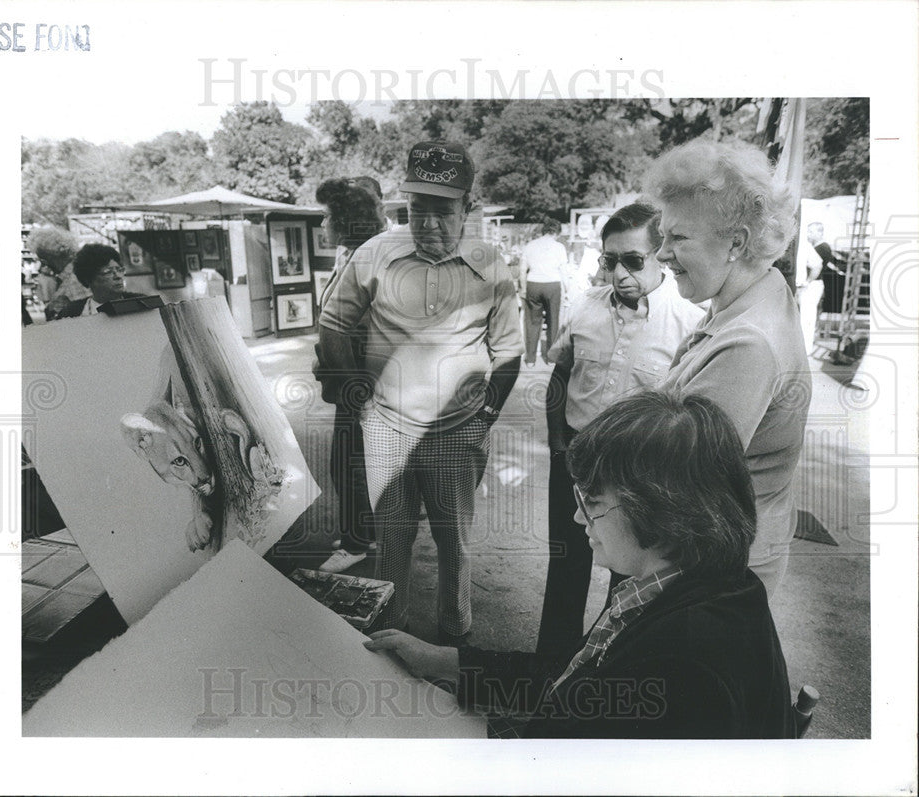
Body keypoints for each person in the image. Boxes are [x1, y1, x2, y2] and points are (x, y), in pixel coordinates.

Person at [366, 391, 795, 738]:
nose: (577, 518)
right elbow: (573, 678)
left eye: (593, 504)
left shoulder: (684, 667)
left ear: (662, 514)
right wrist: (447, 662)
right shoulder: (681, 583)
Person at [318, 140, 523, 645]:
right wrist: (353, 394)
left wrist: (487, 413)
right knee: (392, 539)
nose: (428, 224)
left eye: (442, 211)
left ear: (467, 208)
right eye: (417, 211)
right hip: (387, 427)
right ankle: (391, 628)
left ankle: (456, 632)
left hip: (458, 431)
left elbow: (509, 349)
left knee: (455, 540)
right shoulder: (375, 253)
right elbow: (334, 322)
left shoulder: (491, 264)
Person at [537, 202, 704, 654]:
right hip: (574, 460)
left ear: (661, 255)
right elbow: (559, 375)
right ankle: (550, 671)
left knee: (628, 583)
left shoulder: (690, 322)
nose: (619, 273)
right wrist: (557, 447)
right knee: (566, 566)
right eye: (610, 260)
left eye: (633, 260)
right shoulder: (586, 308)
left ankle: (601, 674)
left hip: (639, 474)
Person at [646, 138, 811, 596]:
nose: (660, 253)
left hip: (712, 573)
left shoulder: (748, 342)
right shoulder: (746, 302)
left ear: (736, 242)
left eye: (677, 237)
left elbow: (678, 478)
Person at [313, 178, 388, 573]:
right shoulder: (354, 254)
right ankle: (362, 531)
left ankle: (358, 542)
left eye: (327, 216)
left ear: (344, 220)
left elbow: (351, 326)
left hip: (358, 378)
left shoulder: (364, 258)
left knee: (349, 463)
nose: (322, 224)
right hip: (350, 379)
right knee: (352, 460)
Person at [48, 244, 145, 320]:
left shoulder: (141, 304)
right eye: (108, 272)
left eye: (119, 270)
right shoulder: (72, 312)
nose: (118, 276)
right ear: (88, 279)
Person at [520, 217, 567, 366]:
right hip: (552, 284)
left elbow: (522, 270)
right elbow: (563, 271)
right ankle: (551, 358)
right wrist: (567, 290)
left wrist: (523, 288)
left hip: (533, 283)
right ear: (556, 233)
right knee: (553, 321)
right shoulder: (559, 247)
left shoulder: (530, 245)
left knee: (532, 322)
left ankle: (530, 359)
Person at [797, 222, 828, 355]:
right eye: (808, 231)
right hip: (812, 283)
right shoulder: (815, 246)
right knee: (805, 317)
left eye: (811, 231)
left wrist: (807, 281)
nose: (808, 234)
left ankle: (805, 349)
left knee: (807, 318)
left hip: (813, 283)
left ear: (820, 233)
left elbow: (818, 266)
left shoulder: (822, 248)